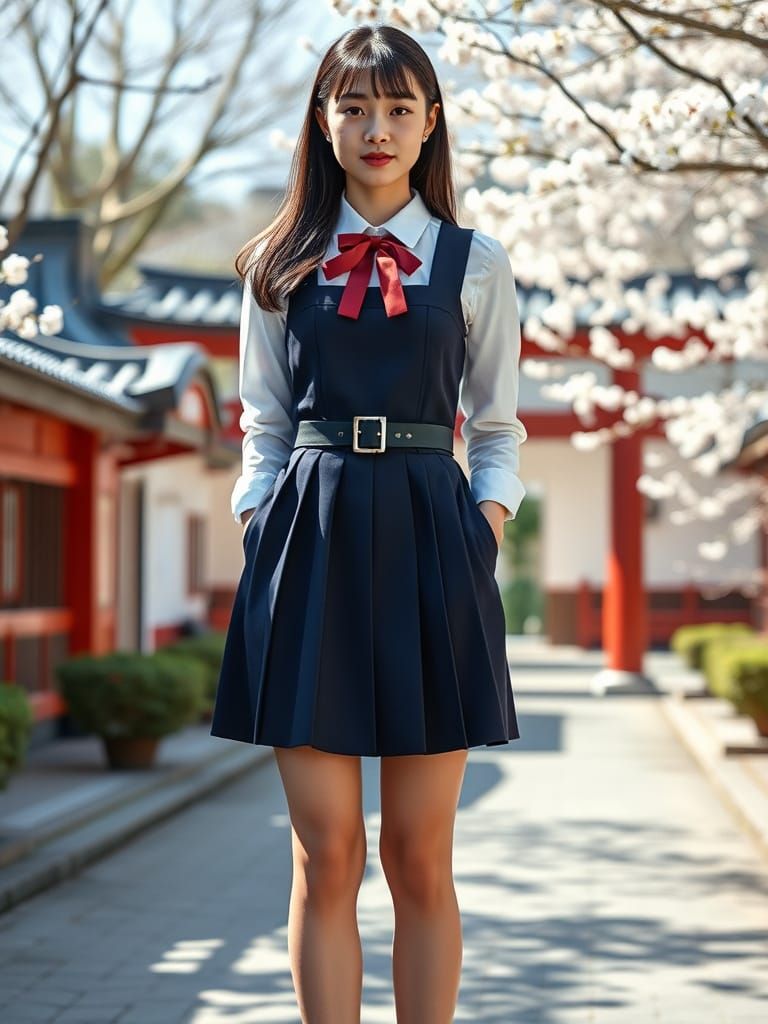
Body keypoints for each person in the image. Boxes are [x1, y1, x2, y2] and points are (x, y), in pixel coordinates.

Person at [210, 22, 528, 1024]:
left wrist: (484, 527)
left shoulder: (478, 264)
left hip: (438, 545)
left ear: (431, 123)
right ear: (324, 118)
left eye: (398, 108)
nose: (376, 127)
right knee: (328, 850)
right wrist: (263, 528)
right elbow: (261, 419)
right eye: (355, 106)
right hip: (309, 544)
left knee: (418, 854)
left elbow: (502, 423)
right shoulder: (277, 261)